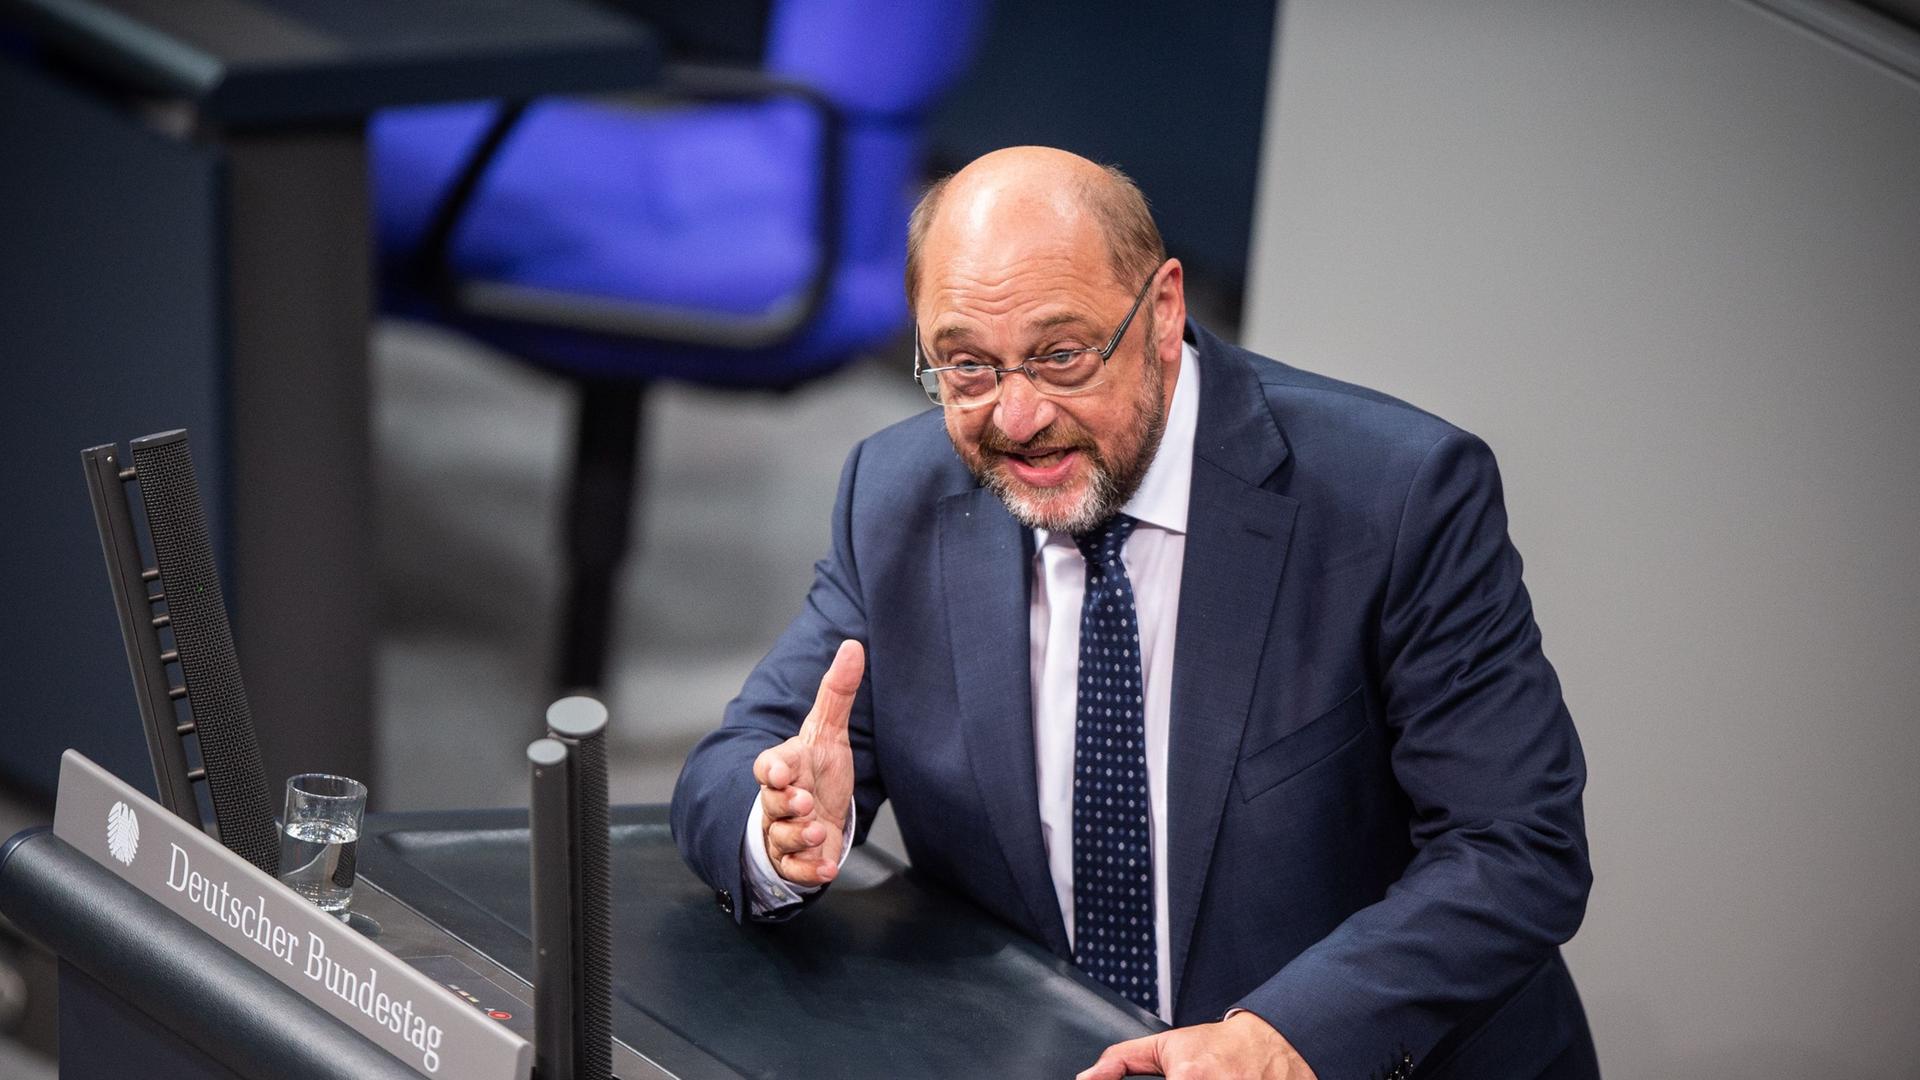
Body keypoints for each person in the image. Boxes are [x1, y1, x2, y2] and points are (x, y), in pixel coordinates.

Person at [671, 146, 1597, 1079]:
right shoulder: (897, 497)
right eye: (966, 367)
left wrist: (1285, 1040)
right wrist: (778, 832)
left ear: (1161, 312)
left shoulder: (1394, 497)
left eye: (1061, 356)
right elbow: (733, 766)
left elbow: (1516, 845)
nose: (1016, 417)